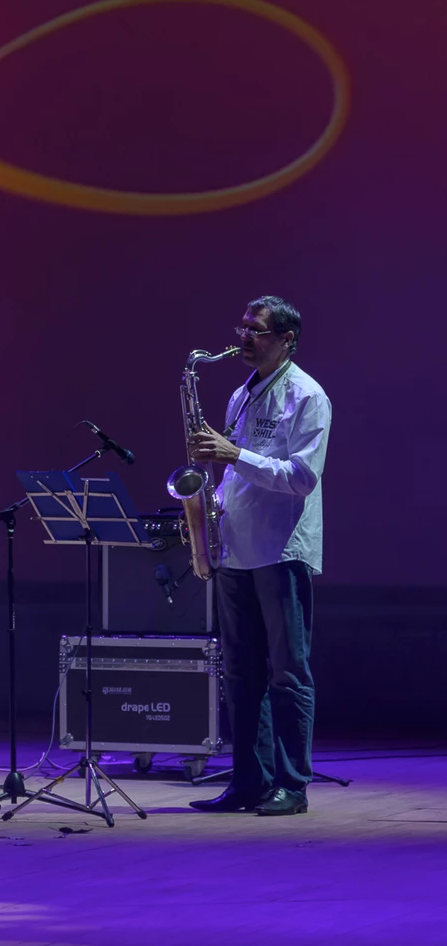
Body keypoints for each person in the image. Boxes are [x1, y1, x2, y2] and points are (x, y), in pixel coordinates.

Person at [189, 296, 330, 817]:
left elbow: (301, 477)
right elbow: (234, 472)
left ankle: (292, 785)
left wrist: (234, 453)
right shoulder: (240, 394)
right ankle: (249, 781)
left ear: (287, 339)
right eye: (243, 328)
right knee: (241, 674)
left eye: (257, 330)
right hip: (236, 548)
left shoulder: (308, 396)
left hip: (280, 548)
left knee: (288, 674)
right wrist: (208, 514)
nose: (244, 338)